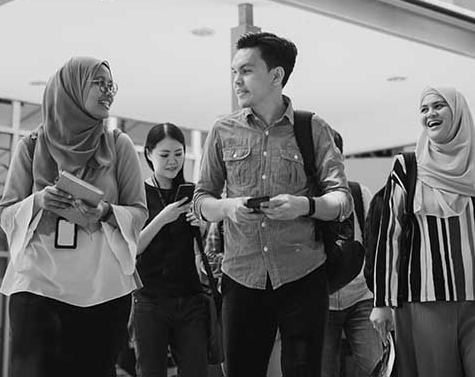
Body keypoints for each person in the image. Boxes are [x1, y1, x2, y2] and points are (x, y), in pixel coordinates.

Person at [194, 31, 353, 377]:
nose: (237, 80)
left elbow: (342, 201)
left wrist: (304, 205)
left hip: (303, 274)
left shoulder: (312, 128)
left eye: (247, 71)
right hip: (241, 275)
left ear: (277, 75)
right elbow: (201, 201)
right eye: (234, 72)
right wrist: (228, 208)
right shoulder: (222, 130)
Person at [0, 57, 147, 377]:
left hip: (101, 288)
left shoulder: (119, 146)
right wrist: (39, 201)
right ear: (73, 90)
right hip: (38, 283)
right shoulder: (31, 146)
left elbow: (138, 212)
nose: (109, 92)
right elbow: (6, 213)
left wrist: (105, 211)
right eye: (100, 83)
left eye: (111, 85)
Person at [368, 87, 475, 377]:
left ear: (458, 113)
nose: (430, 113)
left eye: (439, 106)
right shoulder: (408, 168)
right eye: (424, 109)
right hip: (423, 304)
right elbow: (389, 236)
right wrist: (382, 302)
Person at [133, 122, 209, 377]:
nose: (173, 161)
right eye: (164, 155)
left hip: (190, 298)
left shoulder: (192, 193)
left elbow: (200, 254)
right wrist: (162, 218)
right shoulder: (138, 194)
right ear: (149, 155)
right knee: (150, 371)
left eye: (178, 154)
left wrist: (201, 226)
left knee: (196, 371)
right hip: (150, 299)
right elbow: (133, 248)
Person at [322, 134, 381, 377]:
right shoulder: (304, 200)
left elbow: (376, 244)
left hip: (362, 298)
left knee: (376, 366)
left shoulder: (359, 193)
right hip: (320, 302)